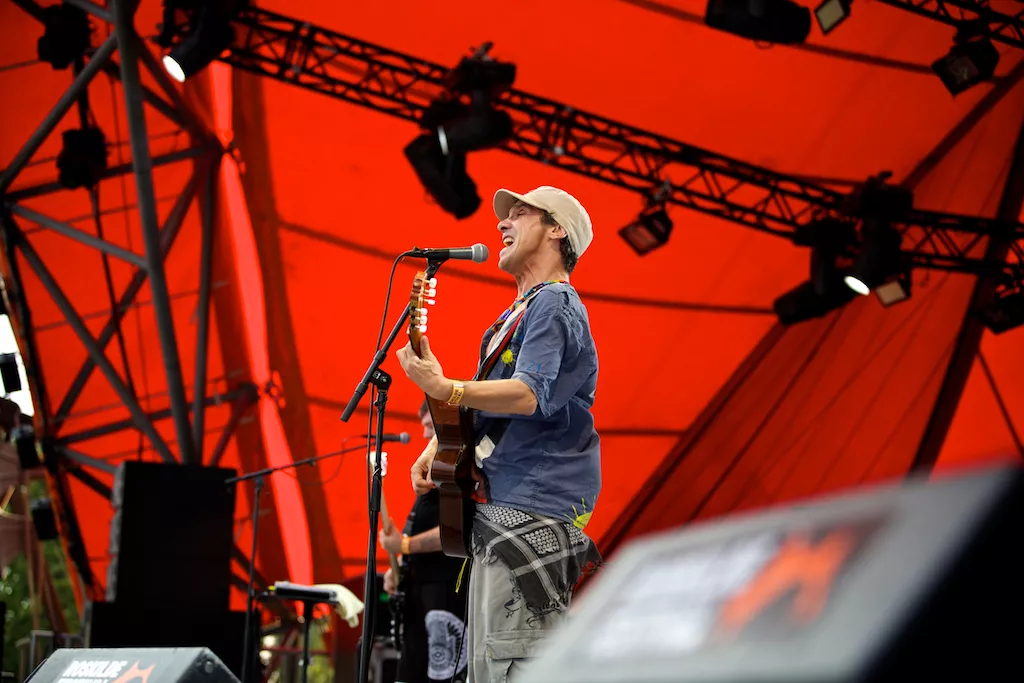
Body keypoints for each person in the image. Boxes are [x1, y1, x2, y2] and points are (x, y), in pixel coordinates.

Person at [396, 185, 603, 682]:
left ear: (557, 230)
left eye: (519, 213)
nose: (501, 223)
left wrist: (446, 387)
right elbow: (489, 408)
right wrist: (438, 443)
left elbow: (530, 395)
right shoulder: (510, 317)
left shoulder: (554, 302)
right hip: (505, 505)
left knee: (514, 660)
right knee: (492, 660)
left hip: (531, 503)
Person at [378, 400, 470, 683]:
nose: (424, 435)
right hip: (420, 587)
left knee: (442, 674)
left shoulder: (459, 466)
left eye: (430, 426)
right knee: (412, 670)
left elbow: (454, 533)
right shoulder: (431, 471)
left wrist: (404, 546)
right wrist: (399, 568)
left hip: (446, 586)